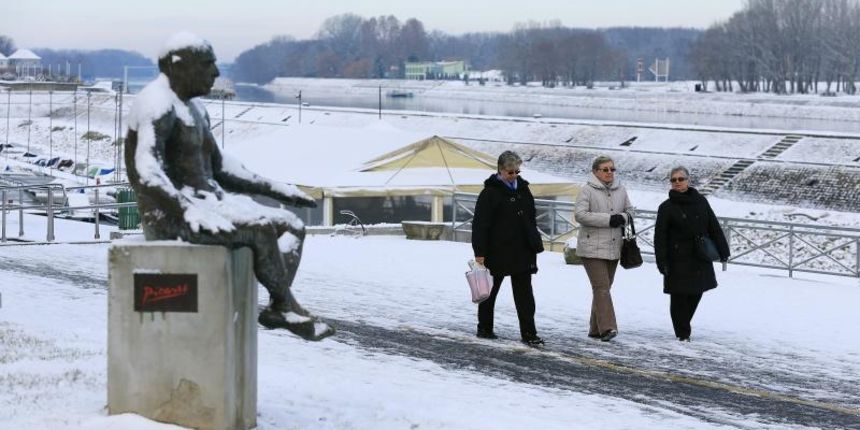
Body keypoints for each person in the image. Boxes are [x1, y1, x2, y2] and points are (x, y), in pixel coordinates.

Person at [124, 32, 333, 341]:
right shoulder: (156, 105)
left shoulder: (195, 109)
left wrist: (278, 189)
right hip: (171, 217)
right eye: (208, 65)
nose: (216, 74)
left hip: (208, 206)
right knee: (260, 230)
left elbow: (222, 168)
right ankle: (285, 305)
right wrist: (186, 210)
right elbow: (146, 170)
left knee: (292, 226)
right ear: (178, 66)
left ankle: (279, 302)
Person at [471, 150, 545, 346]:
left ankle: (529, 333)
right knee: (490, 292)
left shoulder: (523, 189)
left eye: (517, 172)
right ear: (500, 170)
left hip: (522, 251)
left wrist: (533, 240)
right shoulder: (489, 193)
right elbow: (480, 225)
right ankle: (484, 328)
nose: (514, 176)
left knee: (525, 296)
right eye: (510, 172)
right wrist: (479, 253)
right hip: (497, 251)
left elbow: (530, 217)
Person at [654, 166, 729, 341]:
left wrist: (723, 250)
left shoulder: (701, 201)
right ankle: (682, 333)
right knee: (679, 295)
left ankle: (683, 324)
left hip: (699, 255)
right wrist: (662, 261)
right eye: (674, 180)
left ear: (688, 180)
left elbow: (714, 226)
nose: (677, 183)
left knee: (697, 292)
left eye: (681, 179)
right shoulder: (666, 208)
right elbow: (660, 237)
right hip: (677, 258)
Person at [574, 156, 633, 342]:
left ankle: (595, 329)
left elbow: (631, 212)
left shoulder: (621, 189)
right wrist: (608, 220)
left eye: (612, 169)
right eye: (605, 169)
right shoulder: (586, 190)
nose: (609, 173)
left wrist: (622, 217)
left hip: (614, 247)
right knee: (602, 287)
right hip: (591, 247)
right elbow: (580, 215)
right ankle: (608, 328)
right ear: (595, 171)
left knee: (603, 288)